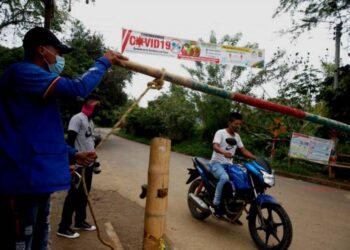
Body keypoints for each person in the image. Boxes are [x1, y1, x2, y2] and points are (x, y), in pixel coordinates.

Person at [0, 26, 128, 250]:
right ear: (41, 51)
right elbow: (78, 88)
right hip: (22, 182)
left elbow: (42, 137)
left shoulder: (39, 90)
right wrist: (103, 62)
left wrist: (73, 155)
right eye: (57, 52)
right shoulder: (23, 73)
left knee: (40, 241)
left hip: (37, 181)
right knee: (23, 243)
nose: (59, 58)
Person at [57, 95, 102, 238]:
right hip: (77, 165)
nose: (97, 107)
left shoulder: (90, 121)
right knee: (73, 196)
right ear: (88, 104)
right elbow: (69, 142)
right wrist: (70, 163)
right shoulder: (77, 118)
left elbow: (90, 143)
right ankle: (63, 227)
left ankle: (80, 221)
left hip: (87, 165)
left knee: (84, 193)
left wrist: (95, 163)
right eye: (95, 103)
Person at [209, 112, 256, 218]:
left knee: (242, 180)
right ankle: (215, 204)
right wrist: (223, 152)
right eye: (236, 124)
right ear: (229, 122)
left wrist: (255, 158)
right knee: (224, 178)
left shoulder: (237, 137)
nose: (238, 126)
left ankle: (233, 210)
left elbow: (243, 150)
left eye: (240, 124)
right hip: (216, 164)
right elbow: (215, 146)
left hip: (229, 165)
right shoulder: (220, 133)